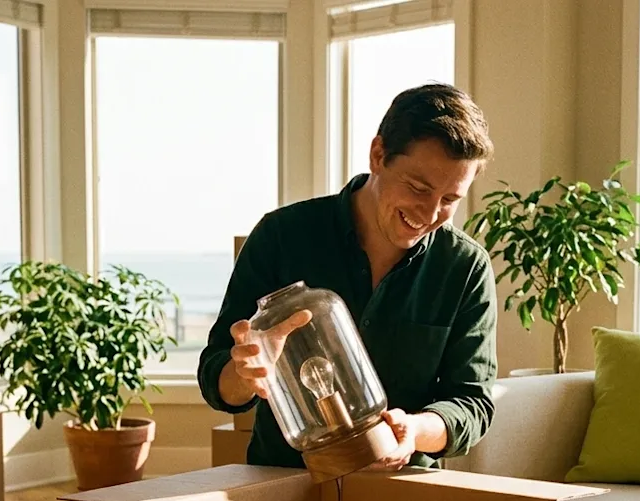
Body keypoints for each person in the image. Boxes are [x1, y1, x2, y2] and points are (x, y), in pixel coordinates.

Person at [197, 83, 498, 472]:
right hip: (283, 480)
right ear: (378, 155)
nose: (429, 212)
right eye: (418, 188)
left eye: (449, 200)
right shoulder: (281, 236)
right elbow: (214, 375)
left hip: (404, 487)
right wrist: (243, 375)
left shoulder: (465, 267)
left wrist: (414, 429)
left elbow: (472, 404)